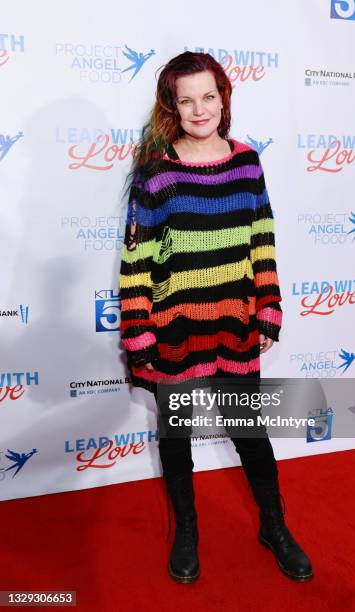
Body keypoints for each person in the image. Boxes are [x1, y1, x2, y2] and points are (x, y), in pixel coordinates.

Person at [119, 51, 313, 584]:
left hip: (234, 321)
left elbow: (262, 239)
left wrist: (269, 305)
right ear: (172, 107)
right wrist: (138, 333)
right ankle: (186, 530)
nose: (199, 108)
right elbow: (136, 264)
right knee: (176, 433)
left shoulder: (248, 161)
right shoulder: (156, 174)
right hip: (174, 326)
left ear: (223, 97)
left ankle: (273, 526)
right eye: (187, 100)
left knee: (249, 432)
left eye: (209, 96)